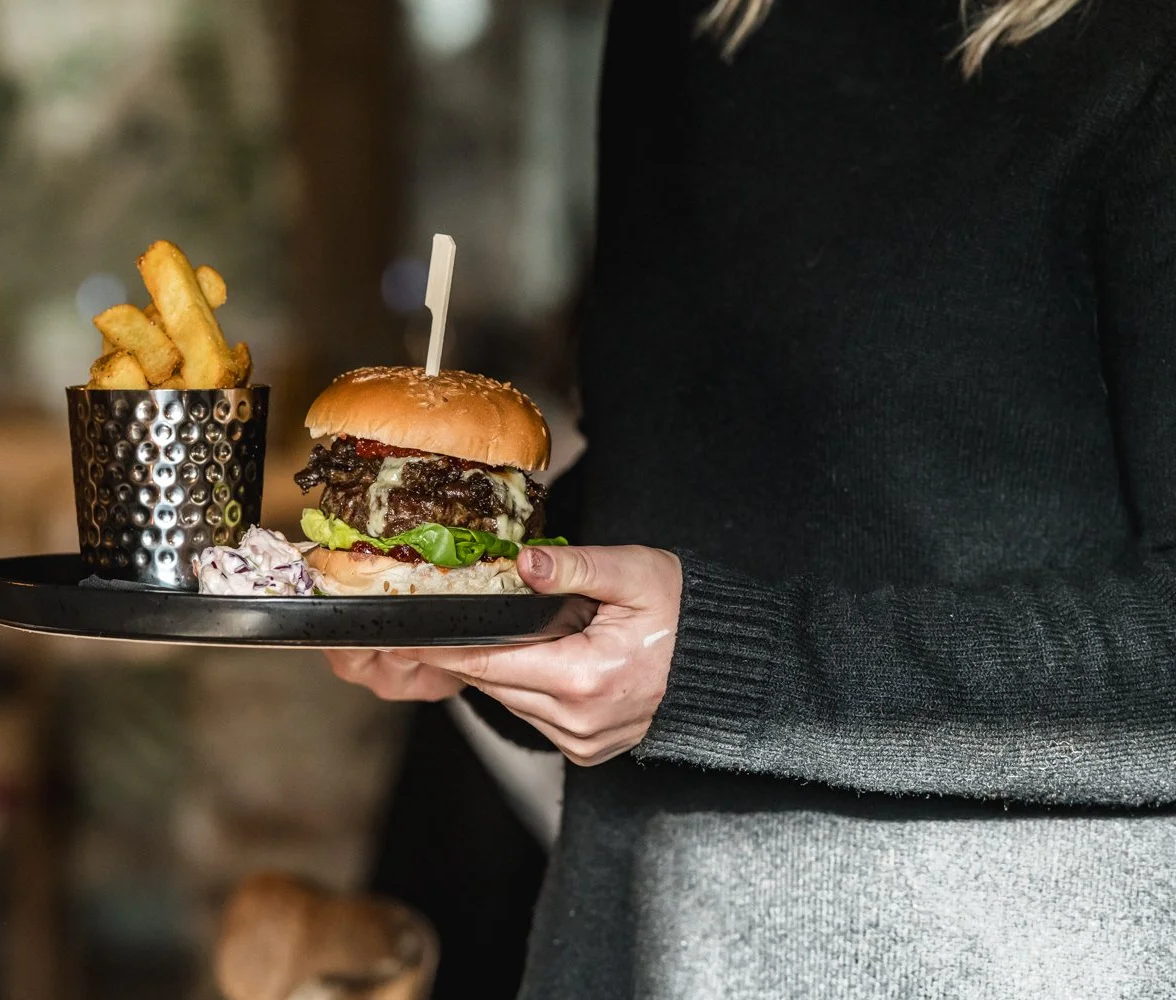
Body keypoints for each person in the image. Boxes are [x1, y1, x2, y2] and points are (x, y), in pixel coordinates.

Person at [327, 0, 1176, 996]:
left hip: (1009, 956)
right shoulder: (680, 24)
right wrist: (484, 597)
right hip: (631, 939)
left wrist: (723, 665)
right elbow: (686, 480)